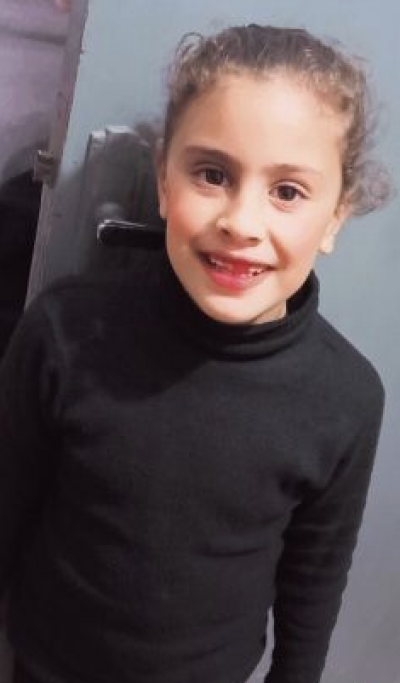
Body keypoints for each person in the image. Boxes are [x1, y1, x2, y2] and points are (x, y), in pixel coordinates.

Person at [0, 24, 390, 683]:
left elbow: (314, 580)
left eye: (288, 191)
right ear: (163, 179)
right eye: (213, 174)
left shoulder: (346, 397)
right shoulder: (65, 332)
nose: (241, 222)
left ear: (335, 217)